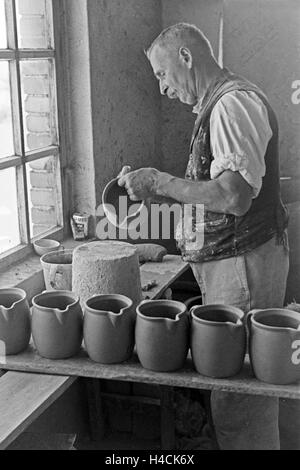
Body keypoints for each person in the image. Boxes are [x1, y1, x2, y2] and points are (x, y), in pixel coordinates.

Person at [118, 23, 299, 450]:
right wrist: (149, 192)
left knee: (241, 401)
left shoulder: (231, 104)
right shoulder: (219, 105)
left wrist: (161, 182)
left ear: (186, 57)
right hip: (234, 263)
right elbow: (215, 190)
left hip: (243, 265)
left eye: (162, 75)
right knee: (236, 392)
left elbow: (233, 197)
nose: (162, 89)